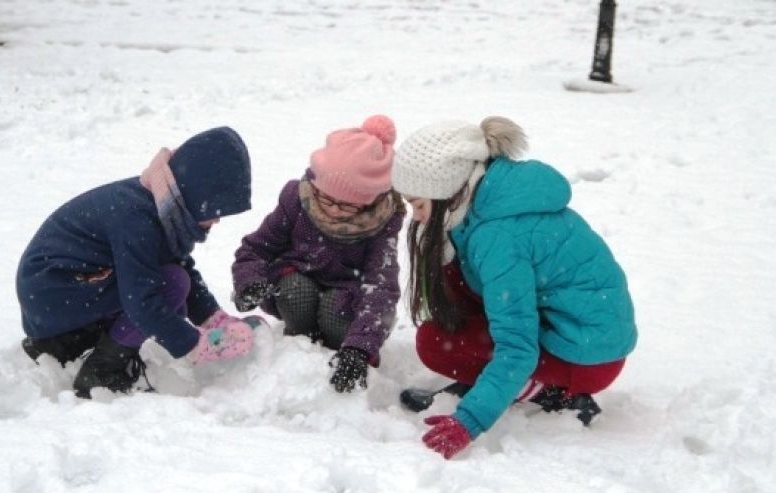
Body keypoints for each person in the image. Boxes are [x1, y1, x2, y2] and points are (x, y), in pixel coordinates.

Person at [391, 116, 637, 459]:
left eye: (418, 204)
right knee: (447, 303)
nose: (415, 216)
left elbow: (517, 347)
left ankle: (552, 393)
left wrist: (470, 420)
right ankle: (500, 384)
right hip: (562, 331)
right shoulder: (484, 204)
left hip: (586, 356)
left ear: (447, 190)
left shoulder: (499, 237)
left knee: (437, 344)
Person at [16, 126, 258, 398]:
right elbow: (142, 301)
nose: (217, 220)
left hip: (63, 291)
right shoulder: (137, 221)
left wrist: (214, 320)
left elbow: (178, 262)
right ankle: (102, 371)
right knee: (170, 287)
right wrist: (196, 346)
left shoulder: (160, 202)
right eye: (216, 211)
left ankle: (71, 343)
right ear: (194, 197)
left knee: (168, 286)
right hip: (55, 292)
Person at [232, 115, 404, 392]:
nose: (334, 210)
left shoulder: (382, 222)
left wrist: (359, 349)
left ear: (370, 202)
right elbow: (255, 249)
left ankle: (339, 350)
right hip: (296, 283)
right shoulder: (297, 200)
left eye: (347, 206)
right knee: (295, 290)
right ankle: (299, 340)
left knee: (336, 311)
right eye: (327, 199)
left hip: (346, 294)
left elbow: (380, 288)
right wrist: (248, 282)